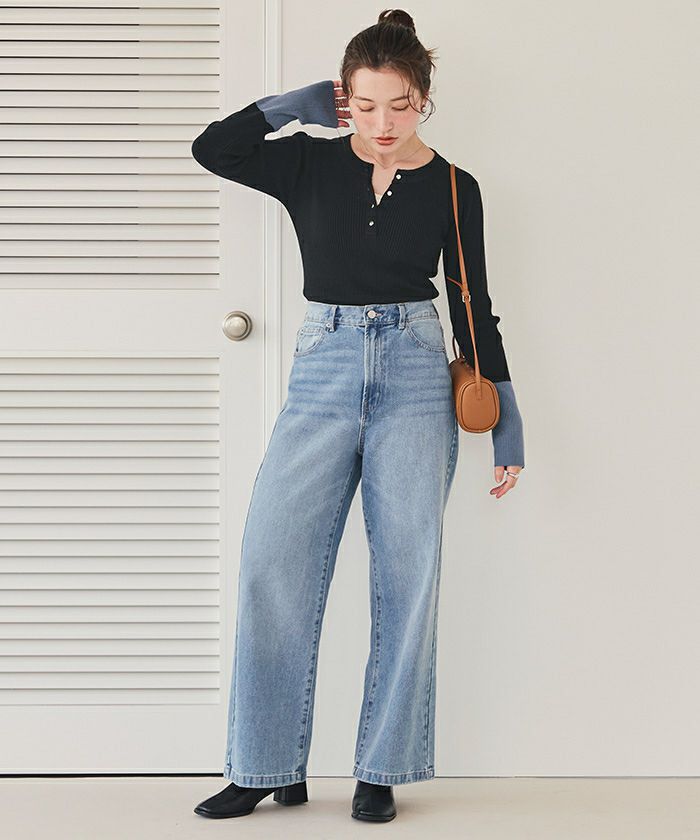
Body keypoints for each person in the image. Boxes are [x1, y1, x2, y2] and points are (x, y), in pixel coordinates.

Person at [191, 8, 525, 824]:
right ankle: (265, 764)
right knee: (273, 559)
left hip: (415, 371)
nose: (382, 124)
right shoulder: (307, 162)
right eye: (365, 105)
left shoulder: (455, 186)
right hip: (325, 365)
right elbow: (214, 149)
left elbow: (473, 306)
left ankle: (381, 768)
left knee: (408, 571)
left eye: (400, 106)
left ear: (424, 99)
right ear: (344, 97)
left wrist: (507, 423)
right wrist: (286, 108)